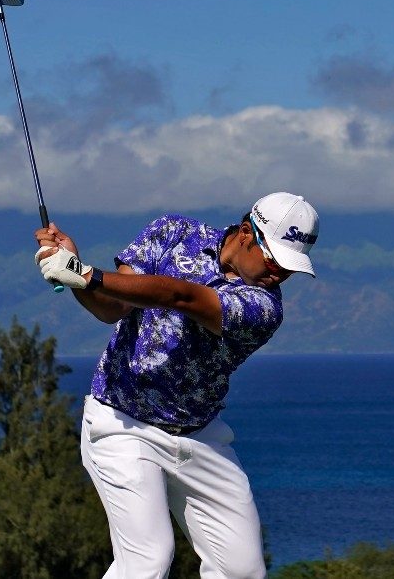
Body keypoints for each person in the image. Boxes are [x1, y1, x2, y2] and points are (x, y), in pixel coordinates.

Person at [34, 192, 320, 579]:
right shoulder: (171, 232)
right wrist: (73, 275)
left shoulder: (264, 307)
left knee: (242, 571)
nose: (280, 274)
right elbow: (111, 308)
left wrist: (87, 274)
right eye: (276, 259)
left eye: (291, 267)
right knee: (147, 561)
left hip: (201, 437)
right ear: (247, 234)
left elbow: (181, 296)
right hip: (122, 423)